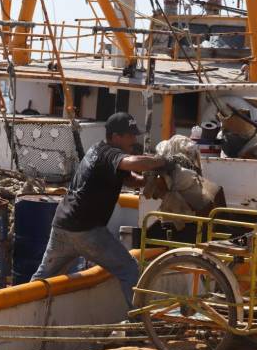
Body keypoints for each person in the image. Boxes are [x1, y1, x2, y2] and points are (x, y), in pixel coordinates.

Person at [31, 112, 169, 309]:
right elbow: (132, 163)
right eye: (130, 135)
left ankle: (17, 315)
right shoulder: (110, 154)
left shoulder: (98, 151)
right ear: (115, 137)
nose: (134, 139)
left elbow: (131, 178)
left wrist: (150, 182)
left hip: (62, 226)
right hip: (87, 231)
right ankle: (140, 322)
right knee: (128, 268)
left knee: (42, 279)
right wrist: (163, 161)